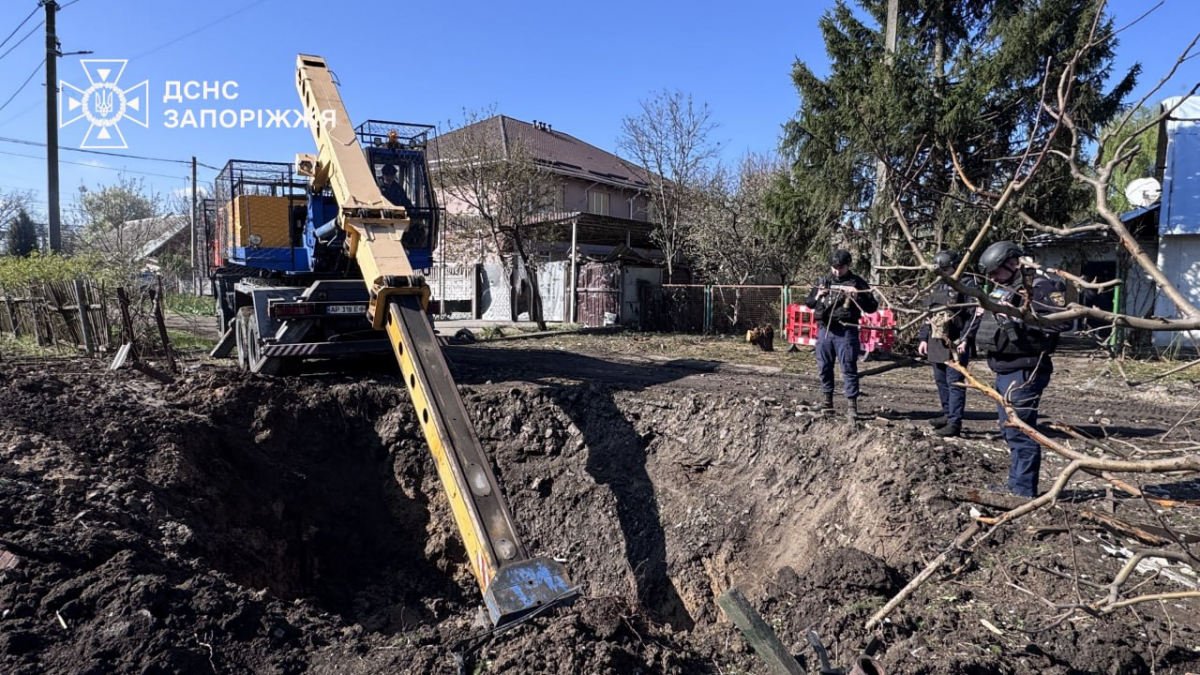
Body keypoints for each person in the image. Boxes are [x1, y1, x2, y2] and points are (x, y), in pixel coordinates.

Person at [974, 241, 1070, 498]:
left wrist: (1019, 316)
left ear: (1013, 263)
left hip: (1026, 370)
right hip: (1005, 368)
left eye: (996, 272)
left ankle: (1024, 491)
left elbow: (1061, 324)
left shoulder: (1040, 287)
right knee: (1009, 429)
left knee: (1022, 432)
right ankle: (1016, 485)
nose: (993, 278)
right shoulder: (1006, 288)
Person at [805, 249, 878, 422]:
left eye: (841, 267)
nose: (837, 271)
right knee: (824, 367)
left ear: (848, 265)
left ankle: (852, 407)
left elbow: (872, 307)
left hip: (846, 331)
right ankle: (827, 402)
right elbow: (809, 303)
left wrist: (857, 297)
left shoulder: (858, 282)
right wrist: (818, 294)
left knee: (848, 368)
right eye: (834, 267)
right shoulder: (823, 281)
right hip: (825, 329)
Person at [917, 249, 980, 438]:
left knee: (955, 384)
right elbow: (929, 315)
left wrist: (966, 338)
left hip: (956, 342)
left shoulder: (968, 285)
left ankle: (954, 422)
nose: (944, 273)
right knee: (941, 382)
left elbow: (974, 316)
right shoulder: (938, 286)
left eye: (946, 269)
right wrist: (923, 338)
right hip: (936, 341)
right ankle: (947, 413)